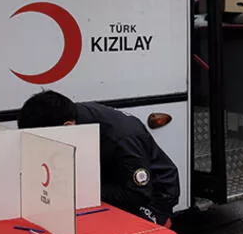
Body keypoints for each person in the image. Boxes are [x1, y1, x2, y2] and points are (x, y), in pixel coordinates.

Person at [17, 90, 180, 226]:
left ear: (68, 126)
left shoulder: (121, 138)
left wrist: (80, 189)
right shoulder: (69, 117)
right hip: (113, 180)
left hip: (154, 195)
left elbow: (137, 193)